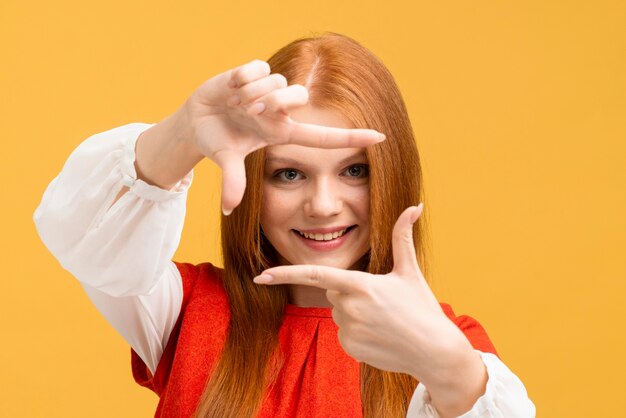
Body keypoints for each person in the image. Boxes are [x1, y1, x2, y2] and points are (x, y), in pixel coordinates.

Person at [34, 33, 535, 417]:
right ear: (255, 181)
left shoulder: (452, 345)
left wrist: (448, 368)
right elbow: (81, 230)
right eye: (289, 173)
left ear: (394, 174)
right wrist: (183, 135)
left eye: (354, 171)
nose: (322, 205)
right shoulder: (182, 311)